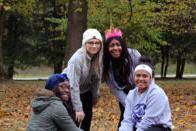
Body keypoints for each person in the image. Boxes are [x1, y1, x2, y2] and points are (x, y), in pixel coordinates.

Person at [62, 28, 103, 131]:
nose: (94, 46)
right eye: (91, 42)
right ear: (85, 43)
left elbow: (97, 79)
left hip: (86, 91)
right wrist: (78, 109)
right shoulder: (77, 59)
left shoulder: (99, 57)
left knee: (87, 119)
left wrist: (95, 95)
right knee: (74, 121)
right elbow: (73, 85)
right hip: (69, 91)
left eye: (97, 43)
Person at [119, 56, 172, 131]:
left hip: (157, 127)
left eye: (145, 76)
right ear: (134, 77)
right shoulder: (131, 94)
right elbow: (127, 120)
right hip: (139, 126)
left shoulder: (156, 93)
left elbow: (148, 121)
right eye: (138, 75)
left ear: (150, 78)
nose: (141, 79)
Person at [103, 27, 141, 127]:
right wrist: (129, 105)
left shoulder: (134, 54)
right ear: (107, 48)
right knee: (126, 120)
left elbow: (146, 73)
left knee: (142, 122)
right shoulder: (106, 64)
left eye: (118, 45)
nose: (115, 48)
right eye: (111, 45)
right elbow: (115, 89)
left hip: (141, 92)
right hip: (125, 95)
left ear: (122, 45)